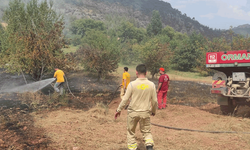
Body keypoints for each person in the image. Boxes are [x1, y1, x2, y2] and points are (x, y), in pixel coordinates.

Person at [115, 64, 157, 150]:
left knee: (131, 132)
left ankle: (134, 148)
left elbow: (125, 99)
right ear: (146, 72)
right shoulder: (151, 85)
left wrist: (118, 110)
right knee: (147, 132)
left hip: (133, 113)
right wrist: (153, 111)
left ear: (136, 72)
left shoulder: (131, 85)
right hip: (145, 113)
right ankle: (149, 147)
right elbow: (155, 101)